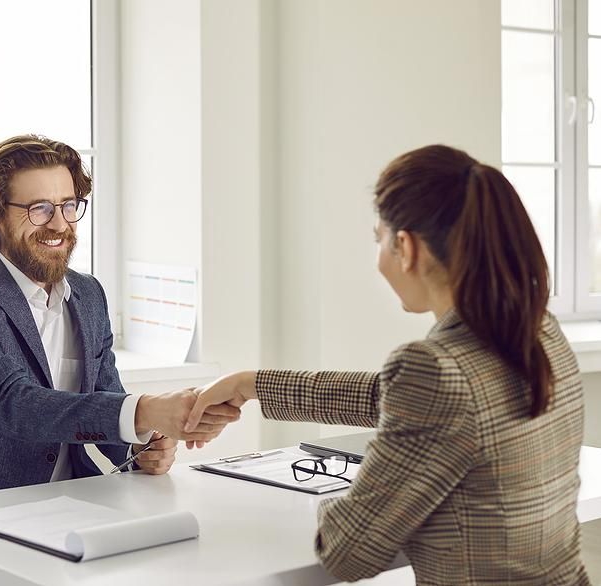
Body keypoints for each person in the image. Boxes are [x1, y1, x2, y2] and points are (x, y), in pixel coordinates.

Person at [185, 145, 590, 585]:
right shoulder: (538, 331)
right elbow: (400, 396)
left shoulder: (435, 372)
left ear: (405, 246)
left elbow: (346, 553)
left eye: (378, 238)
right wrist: (253, 384)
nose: (378, 256)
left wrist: (356, 493)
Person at [0, 135, 238, 501]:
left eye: (68, 205)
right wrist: (144, 411)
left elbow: (104, 397)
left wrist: (138, 448)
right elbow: (15, 406)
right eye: (39, 209)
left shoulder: (88, 295)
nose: (59, 224)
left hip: (72, 504)